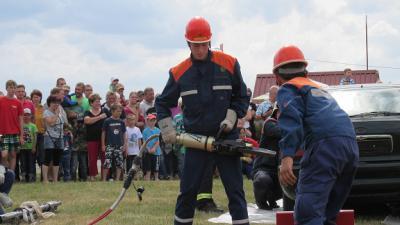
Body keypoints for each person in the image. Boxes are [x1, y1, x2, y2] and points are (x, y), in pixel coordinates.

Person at [155, 16, 250, 225]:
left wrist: (233, 115)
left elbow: (242, 96)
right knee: (188, 191)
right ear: (188, 43)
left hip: (226, 138)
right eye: (196, 45)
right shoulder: (179, 72)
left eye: (203, 44)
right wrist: (167, 127)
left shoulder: (229, 63)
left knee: (235, 191)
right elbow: (162, 103)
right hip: (195, 141)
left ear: (209, 41)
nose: (200, 50)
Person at [273, 45, 359, 224]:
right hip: (350, 145)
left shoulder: (288, 88)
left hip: (324, 146)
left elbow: (291, 120)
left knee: (308, 213)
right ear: (306, 71)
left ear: (277, 77)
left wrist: (286, 157)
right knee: (327, 212)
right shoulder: (317, 89)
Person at [252, 104, 281, 210]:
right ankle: (261, 202)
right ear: (276, 112)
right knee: (262, 180)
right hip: (265, 169)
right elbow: (282, 132)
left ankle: (272, 198)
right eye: (280, 112)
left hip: (280, 171)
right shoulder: (270, 124)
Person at [0, 80, 24, 173]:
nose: (12, 89)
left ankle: (11, 175)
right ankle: (4, 173)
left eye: (14, 88)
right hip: (2, 133)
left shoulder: (18, 103)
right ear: (6, 88)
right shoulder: (1, 100)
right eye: (10, 87)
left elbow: (21, 120)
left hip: (14, 132)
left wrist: (21, 135)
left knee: (13, 155)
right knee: (4, 155)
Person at [84, 94, 107, 181]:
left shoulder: (104, 111)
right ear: (91, 103)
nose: (98, 103)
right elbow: (87, 121)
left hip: (104, 139)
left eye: (99, 101)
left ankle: (104, 177)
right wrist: (99, 117)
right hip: (91, 139)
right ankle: (92, 176)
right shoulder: (87, 112)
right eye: (96, 101)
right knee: (92, 159)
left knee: (104, 158)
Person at [101, 104, 127, 181]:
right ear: (112, 111)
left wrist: (125, 144)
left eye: (120, 111)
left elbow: (124, 133)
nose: (119, 113)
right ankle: (104, 179)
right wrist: (103, 144)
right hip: (109, 145)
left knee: (119, 163)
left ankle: (117, 179)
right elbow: (103, 133)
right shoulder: (107, 121)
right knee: (107, 162)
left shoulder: (121, 122)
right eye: (118, 111)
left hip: (119, 145)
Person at [43, 95, 65, 183]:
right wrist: (56, 114)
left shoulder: (61, 112)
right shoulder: (46, 112)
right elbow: (51, 123)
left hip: (60, 137)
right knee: (47, 158)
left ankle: (55, 179)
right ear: (49, 103)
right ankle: (45, 179)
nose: (56, 104)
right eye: (54, 102)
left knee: (57, 159)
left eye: (57, 102)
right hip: (49, 137)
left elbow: (62, 123)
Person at [19, 108, 38, 182]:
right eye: (24, 115)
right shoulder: (20, 125)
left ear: (31, 116)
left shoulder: (33, 126)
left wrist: (34, 147)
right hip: (22, 148)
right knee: (23, 163)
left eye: (28, 115)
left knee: (31, 162)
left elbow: (35, 137)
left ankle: (31, 176)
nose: (26, 116)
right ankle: (23, 176)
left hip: (30, 148)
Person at [31, 89, 45, 182]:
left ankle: (43, 177)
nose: (36, 98)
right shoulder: (28, 107)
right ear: (31, 98)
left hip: (41, 134)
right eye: (34, 97)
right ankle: (32, 177)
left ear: (40, 98)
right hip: (32, 134)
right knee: (32, 155)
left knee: (42, 156)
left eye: (38, 97)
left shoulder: (43, 108)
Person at [142, 114, 161, 181]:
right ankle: (148, 177)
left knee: (156, 166)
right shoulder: (145, 131)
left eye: (153, 120)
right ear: (147, 121)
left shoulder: (158, 130)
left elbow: (158, 141)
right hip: (148, 152)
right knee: (148, 166)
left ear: (155, 121)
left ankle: (156, 178)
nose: (152, 122)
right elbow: (144, 141)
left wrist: (154, 148)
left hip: (156, 152)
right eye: (150, 120)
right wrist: (148, 149)